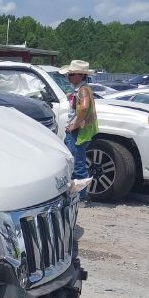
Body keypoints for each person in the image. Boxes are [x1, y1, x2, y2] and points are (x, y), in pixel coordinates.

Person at [61, 59, 98, 202]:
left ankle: (80, 196)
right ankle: (79, 194)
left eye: (71, 75)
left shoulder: (82, 90)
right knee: (76, 162)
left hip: (77, 133)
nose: (68, 77)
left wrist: (75, 125)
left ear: (81, 75)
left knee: (77, 164)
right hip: (79, 131)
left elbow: (83, 106)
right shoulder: (83, 89)